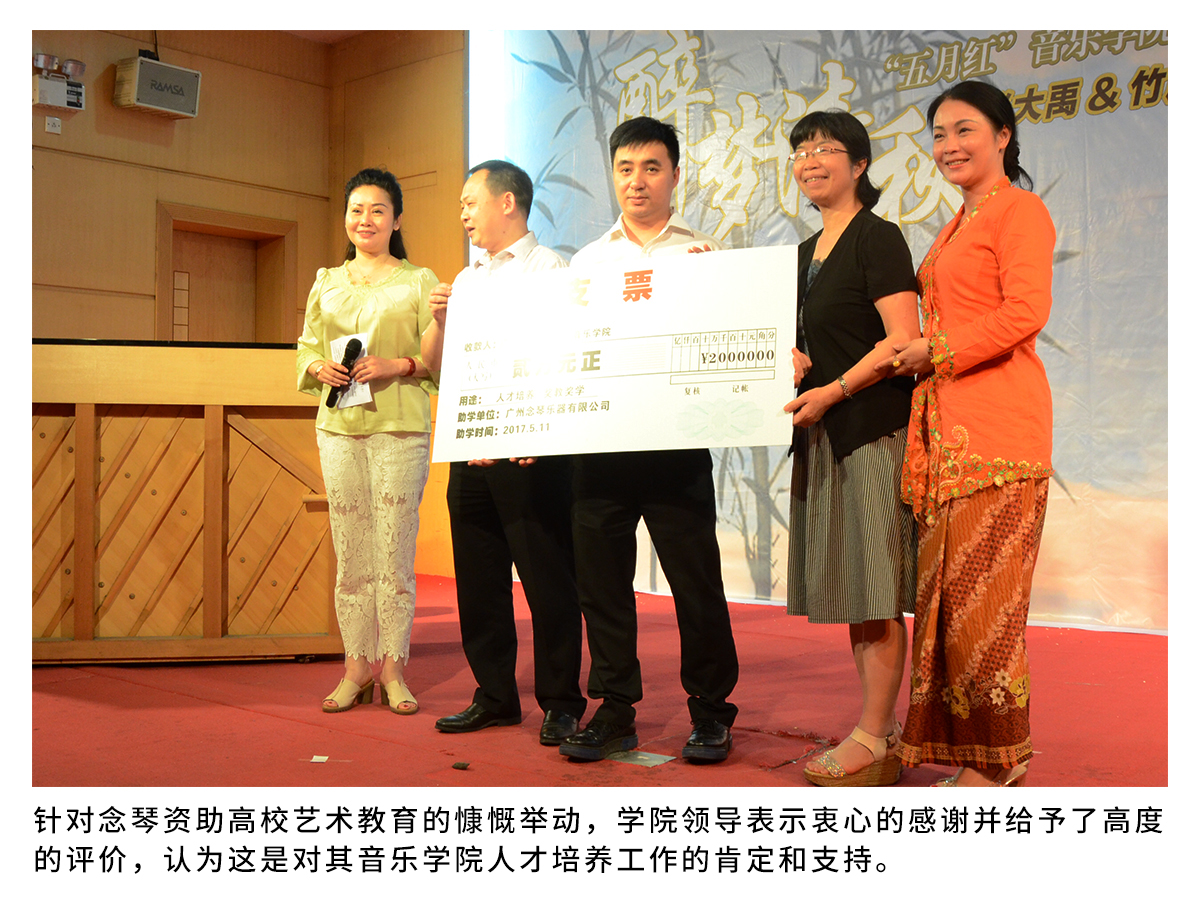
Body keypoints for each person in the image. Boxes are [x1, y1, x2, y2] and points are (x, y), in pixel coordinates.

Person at [879, 80, 1055, 787]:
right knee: (953, 607)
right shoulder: (960, 222)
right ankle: (976, 753)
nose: (949, 145)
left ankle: (999, 758)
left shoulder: (1019, 210)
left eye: (965, 130)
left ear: (1003, 136)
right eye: (940, 134)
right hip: (949, 438)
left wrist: (937, 350)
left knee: (989, 608)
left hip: (1000, 435)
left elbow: (1026, 311)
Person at [559, 116, 739, 763]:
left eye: (652, 167)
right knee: (602, 586)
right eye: (626, 168)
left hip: (676, 448)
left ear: (675, 176)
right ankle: (615, 709)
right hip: (600, 448)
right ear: (613, 175)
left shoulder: (706, 254)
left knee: (697, 584)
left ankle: (711, 712)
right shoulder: (587, 263)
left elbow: (732, 339)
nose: (637, 181)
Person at [421, 160, 587, 746]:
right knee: (479, 581)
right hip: (471, 448)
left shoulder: (552, 269)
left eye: (471, 202)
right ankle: (494, 696)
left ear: (508, 202)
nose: (464, 214)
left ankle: (561, 702)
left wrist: (535, 431)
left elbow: (563, 357)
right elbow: (436, 366)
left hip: (529, 452)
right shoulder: (466, 280)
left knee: (548, 581)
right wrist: (440, 321)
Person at [782, 111, 920, 787]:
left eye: (827, 148)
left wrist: (834, 390)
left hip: (870, 430)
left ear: (860, 164)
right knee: (857, 593)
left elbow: (901, 341)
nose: (810, 160)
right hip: (822, 433)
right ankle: (879, 731)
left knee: (876, 590)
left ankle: (875, 734)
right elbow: (810, 343)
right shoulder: (803, 252)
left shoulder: (878, 237)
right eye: (801, 150)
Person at [296, 167, 439, 716]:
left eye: (378, 210)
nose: (366, 219)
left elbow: (436, 360)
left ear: (396, 220)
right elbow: (306, 346)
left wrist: (396, 364)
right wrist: (319, 366)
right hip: (338, 429)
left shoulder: (420, 281)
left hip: (400, 428)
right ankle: (356, 667)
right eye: (356, 209)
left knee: (395, 553)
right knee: (351, 551)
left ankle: (395, 669)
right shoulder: (327, 280)